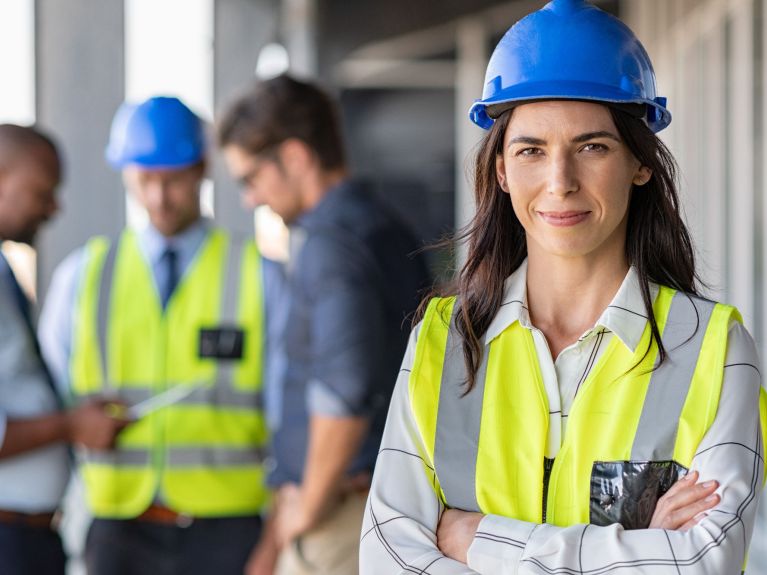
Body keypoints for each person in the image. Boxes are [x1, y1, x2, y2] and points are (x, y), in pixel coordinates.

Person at [360, 1, 767, 573]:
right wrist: (636, 549)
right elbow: (387, 559)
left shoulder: (716, 351)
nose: (560, 182)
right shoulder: (442, 341)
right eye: (531, 150)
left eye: (592, 147)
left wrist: (476, 538)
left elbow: (703, 564)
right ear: (501, 169)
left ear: (639, 163)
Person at [38, 96, 282, 575]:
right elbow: (51, 404)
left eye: (172, 180)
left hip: (227, 530)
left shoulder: (259, 275)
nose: (158, 198)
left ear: (201, 170)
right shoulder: (84, 276)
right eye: (144, 180)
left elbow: (288, 415)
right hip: (118, 530)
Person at [218, 75, 431, 575]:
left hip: (341, 515)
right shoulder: (379, 224)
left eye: (251, 178)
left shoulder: (332, 243)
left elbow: (344, 391)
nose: (250, 198)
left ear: (294, 157)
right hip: (373, 501)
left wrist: (307, 508)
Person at [0, 124, 128, 575]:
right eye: (42, 191)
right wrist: (70, 426)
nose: (54, 207)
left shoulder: (3, 270)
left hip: (31, 538)